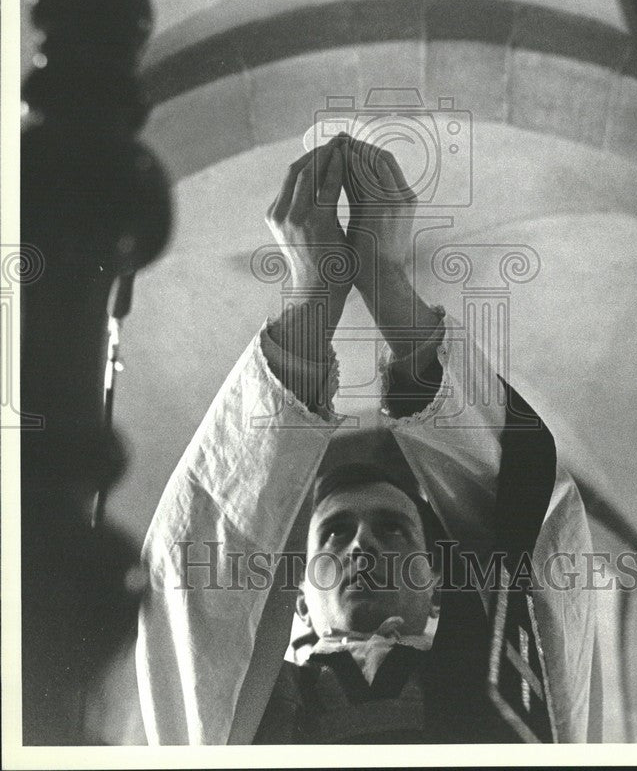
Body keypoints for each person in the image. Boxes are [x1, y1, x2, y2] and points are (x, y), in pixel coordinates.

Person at [135, 134, 600, 745]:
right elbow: (187, 598)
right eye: (333, 532)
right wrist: (313, 295)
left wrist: (385, 281)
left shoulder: (497, 688)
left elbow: (542, 533)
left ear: (437, 585)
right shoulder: (260, 704)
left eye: (394, 528)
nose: (362, 548)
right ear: (296, 600)